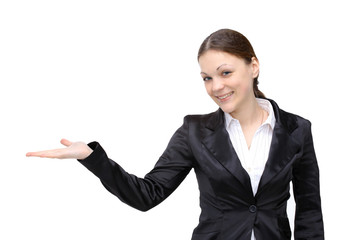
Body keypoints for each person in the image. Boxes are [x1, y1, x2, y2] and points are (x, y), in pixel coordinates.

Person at [26, 29, 324, 240]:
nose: (216, 86)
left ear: (253, 66)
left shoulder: (298, 129)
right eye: (207, 78)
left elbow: (309, 212)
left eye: (225, 73)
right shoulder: (194, 132)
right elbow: (147, 195)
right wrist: (92, 158)